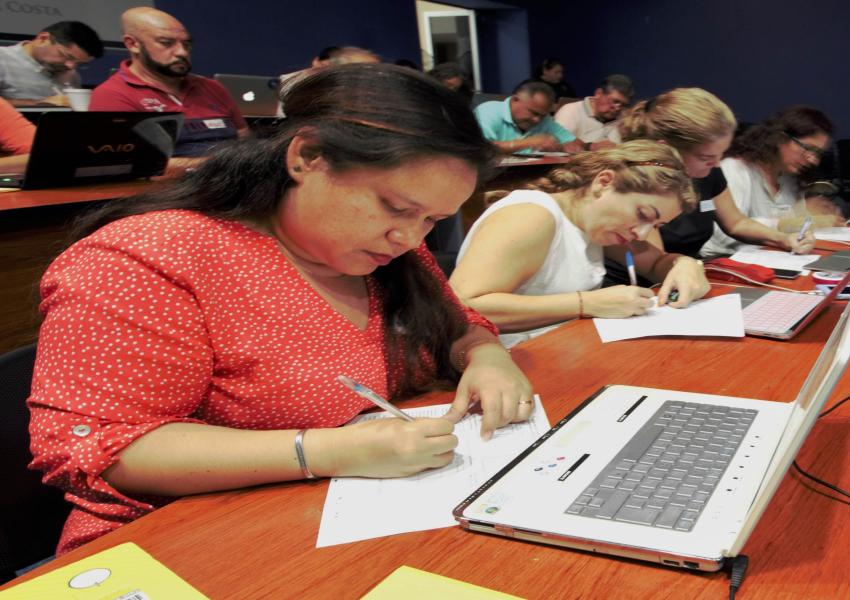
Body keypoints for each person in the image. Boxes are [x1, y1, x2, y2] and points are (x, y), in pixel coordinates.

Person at [27, 64, 533, 555]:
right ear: (307, 157)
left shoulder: (388, 252)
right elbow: (104, 444)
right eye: (396, 208)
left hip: (341, 525)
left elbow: (458, 325)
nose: (409, 236)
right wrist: (325, 451)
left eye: (433, 221)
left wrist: (487, 357)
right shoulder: (149, 257)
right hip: (180, 544)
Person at [450, 140, 709, 347]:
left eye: (655, 226)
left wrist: (685, 265)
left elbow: (655, 263)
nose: (642, 234)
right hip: (507, 366)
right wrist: (587, 303)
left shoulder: (597, 225)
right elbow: (462, 307)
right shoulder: (532, 217)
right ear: (604, 183)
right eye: (643, 214)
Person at [617, 88, 814, 274]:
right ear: (667, 150)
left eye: (720, 154)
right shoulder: (637, 185)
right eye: (706, 157)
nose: (717, 164)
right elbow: (656, 265)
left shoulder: (708, 172)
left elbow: (736, 223)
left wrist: (782, 239)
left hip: (684, 273)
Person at [89, 7, 248, 157]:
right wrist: (221, 164)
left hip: (231, 173)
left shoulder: (212, 87)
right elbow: (129, 164)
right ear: (133, 44)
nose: (182, 52)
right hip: (182, 178)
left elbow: (244, 138)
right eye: (166, 43)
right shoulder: (112, 95)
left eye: (186, 44)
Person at [701, 106, 837, 257]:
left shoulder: (789, 178)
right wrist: (786, 223)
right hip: (721, 259)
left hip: (768, 256)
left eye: (818, 153)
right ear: (780, 139)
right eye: (807, 148)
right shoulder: (734, 169)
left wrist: (807, 218)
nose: (813, 160)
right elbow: (722, 236)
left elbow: (794, 228)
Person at [0, 21, 103, 106]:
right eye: (66, 56)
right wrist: (39, 104)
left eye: (80, 64)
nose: (71, 66)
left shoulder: (71, 75)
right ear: (43, 39)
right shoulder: (3, 58)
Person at [475, 81, 583, 154]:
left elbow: (575, 142)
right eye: (533, 113)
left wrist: (563, 147)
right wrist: (529, 142)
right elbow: (481, 149)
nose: (537, 119)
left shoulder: (544, 120)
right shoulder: (488, 111)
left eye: (542, 115)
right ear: (515, 100)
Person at [555, 74, 633, 149]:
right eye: (615, 101)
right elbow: (556, 144)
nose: (618, 108)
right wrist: (590, 147)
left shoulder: (623, 118)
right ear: (598, 93)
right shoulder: (571, 111)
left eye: (623, 105)